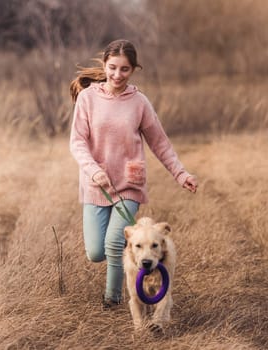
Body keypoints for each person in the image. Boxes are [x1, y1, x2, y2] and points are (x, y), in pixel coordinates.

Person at [69, 39, 197, 308]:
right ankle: (117, 279)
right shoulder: (87, 98)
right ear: (104, 65)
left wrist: (181, 174)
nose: (117, 75)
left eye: (124, 69)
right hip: (96, 185)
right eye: (113, 68)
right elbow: (77, 142)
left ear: (134, 69)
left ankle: (112, 299)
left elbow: (159, 142)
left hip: (129, 184)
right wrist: (93, 171)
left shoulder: (139, 102)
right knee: (95, 251)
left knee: (115, 243)